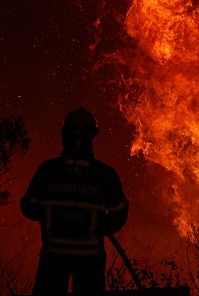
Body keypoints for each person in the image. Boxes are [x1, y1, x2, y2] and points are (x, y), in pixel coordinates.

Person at [20, 108, 128, 295]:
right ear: (92, 136)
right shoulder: (103, 174)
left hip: (53, 257)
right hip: (90, 260)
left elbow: (28, 207)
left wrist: (50, 215)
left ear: (64, 134)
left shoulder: (48, 170)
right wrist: (99, 227)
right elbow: (120, 211)